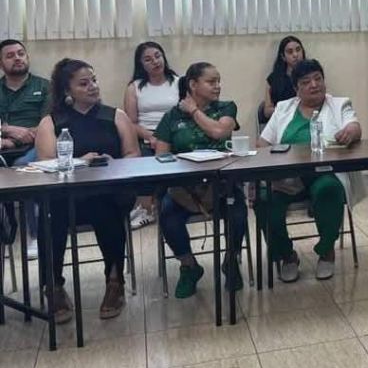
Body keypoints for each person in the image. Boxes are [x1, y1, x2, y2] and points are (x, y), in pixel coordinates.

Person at [35, 59, 140, 323]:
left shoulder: (115, 116)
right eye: (84, 83)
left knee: (106, 208)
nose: (93, 86)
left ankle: (114, 281)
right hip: (65, 196)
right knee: (50, 216)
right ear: (66, 90)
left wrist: (113, 163)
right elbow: (46, 163)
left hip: (107, 192)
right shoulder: (51, 122)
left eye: (94, 80)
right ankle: (53, 286)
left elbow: (133, 154)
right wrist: (80, 162)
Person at [257, 59, 363, 283]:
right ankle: (287, 256)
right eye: (306, 82)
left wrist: (351, 131)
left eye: (318, 79)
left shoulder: (339, 104)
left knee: (329, 189)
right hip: (286, 178)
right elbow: (262, 144)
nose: (314, 85)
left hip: (323, 173)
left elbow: (354, 125)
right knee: (263, 199)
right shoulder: (284, 108)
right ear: (296, 89)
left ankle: (326, 251)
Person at [154, 62, 248, 298]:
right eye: (211, 81)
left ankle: (231, 260)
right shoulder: (171, 117)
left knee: (238, 212)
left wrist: (194, 111)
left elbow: (219, 132)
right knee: (167, 214)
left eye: (218, 81)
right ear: (193, 85)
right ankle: (189, 267)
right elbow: (161, 156)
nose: (217, 86)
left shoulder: (226, 107)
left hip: (221, 184)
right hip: (185, 188)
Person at [0, 39, 50, 259]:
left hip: (35, 146)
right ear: (1, 63)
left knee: (24, 170)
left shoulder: (45, 87)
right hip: (2, 148)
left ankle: (34, 235)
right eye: (10, 55)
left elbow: (48, 124)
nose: (17, 58)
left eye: (21, 53)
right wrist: (6, 130)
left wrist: (15, 140)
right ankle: (5, 231)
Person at [123, 41, 180, 229]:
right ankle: (145, 208)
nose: (155, 61)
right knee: (144, 161)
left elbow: (185, 113)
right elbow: (130, 122)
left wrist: (166, 138)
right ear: (141, 65)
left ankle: (168, 204)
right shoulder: (135, 87)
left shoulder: (178, 83)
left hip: (174, 134)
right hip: (148, 136)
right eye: (148, 59)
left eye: (157, 56)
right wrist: (151, 137)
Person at [261, 35, 305, 123]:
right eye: (290, 52)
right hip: (282, 121)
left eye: (298, 50)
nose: (295, 55)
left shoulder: (311, 75)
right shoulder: (274, 79)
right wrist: (287, 111)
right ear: (283, 57)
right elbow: (267, 112)